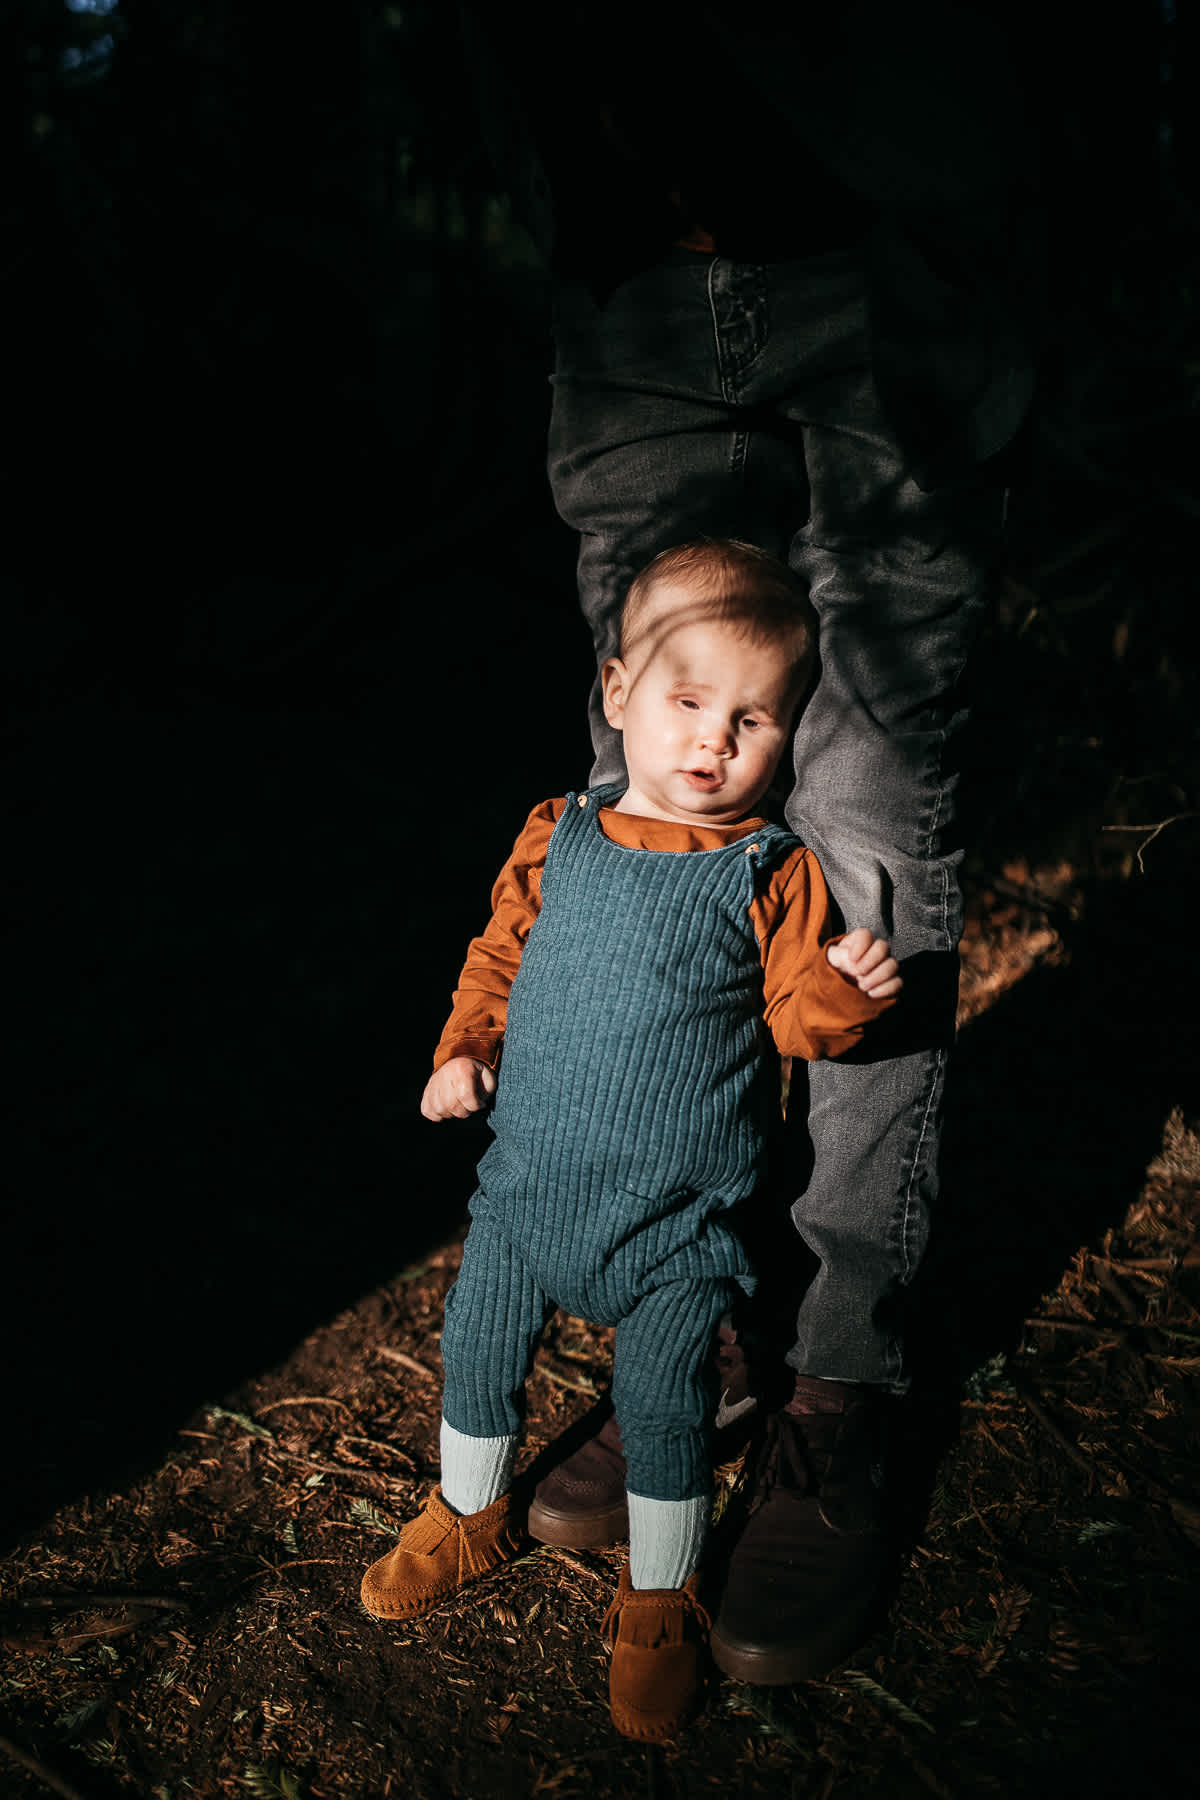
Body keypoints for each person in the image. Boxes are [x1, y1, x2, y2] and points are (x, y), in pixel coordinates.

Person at [451, 0, 1046, 1687]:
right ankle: (690, 1324)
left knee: (856, 845)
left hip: (887, 250)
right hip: (629, 278)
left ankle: (837, 1388)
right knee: (646, 836)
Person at [360, 540, 901, 1740]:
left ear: (787, 740)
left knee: (662, 1406)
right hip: (523, 1198)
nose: (713, 741)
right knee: (478, 1347)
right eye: (687, 701)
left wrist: (851, 991)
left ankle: (659, 1599)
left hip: (673, 1232)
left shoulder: (769, 871)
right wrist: (465, 1052)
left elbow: (800, 1018)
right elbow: (498, 961)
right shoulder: (559, 831)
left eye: (751, 721)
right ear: (618, 694)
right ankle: (466, 1510)